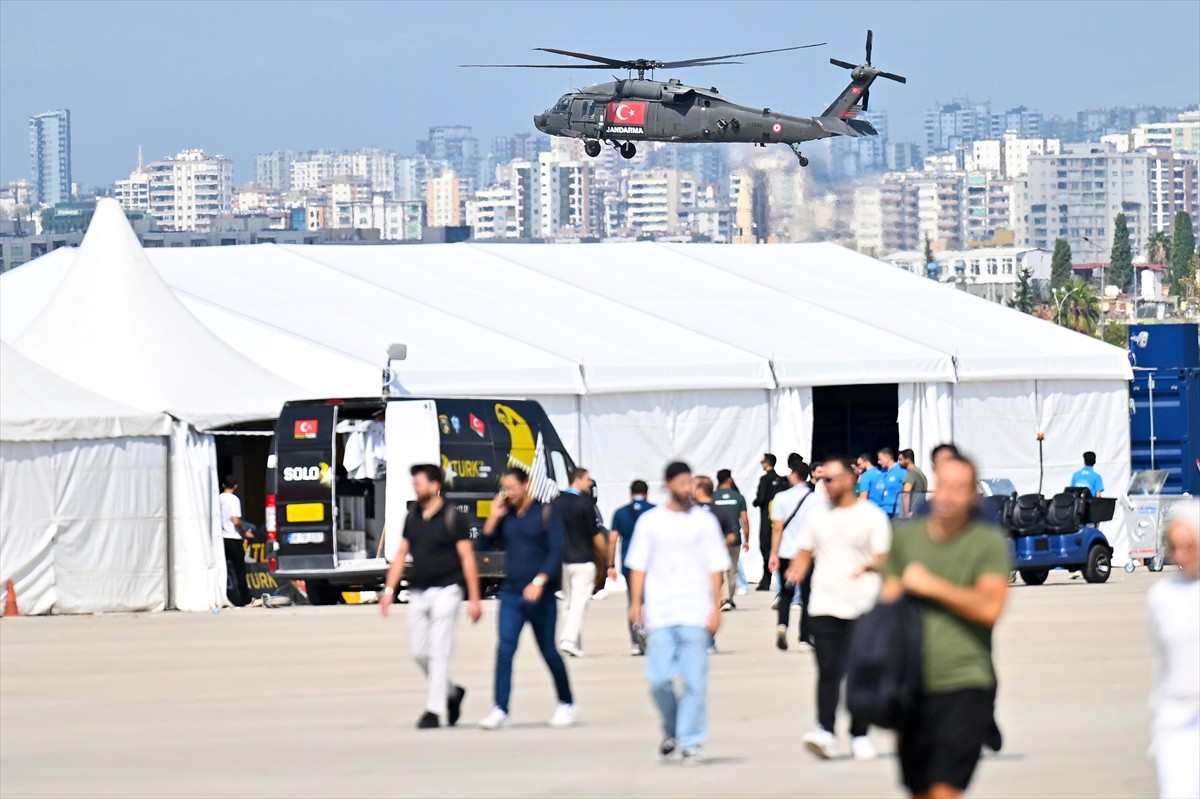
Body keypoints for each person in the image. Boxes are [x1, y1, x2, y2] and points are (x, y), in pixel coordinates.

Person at [880, 456, 1011, 799]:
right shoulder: (906, 540)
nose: (950, 495)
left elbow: (990, 607)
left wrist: (931, 585)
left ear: (974, 495)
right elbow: (887, 607)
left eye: (960, 488)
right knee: (921, 790)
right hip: (910, 686)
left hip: (966, 680)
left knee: (944, 790)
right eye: (945, 486)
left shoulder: (987, 542)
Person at [786, 457, 892, 761]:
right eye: (823, 480)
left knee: (862, 674)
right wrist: (797, 569)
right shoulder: (817, 516)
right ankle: (826, 732)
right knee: (828, 671)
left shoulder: (872, 517)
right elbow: (805, 551)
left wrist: (869, 565)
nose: (825, 485)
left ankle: (860, 734)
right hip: (825, 605)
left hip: (863, 605)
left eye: (830, 479)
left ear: (849, 480)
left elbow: (884, 556)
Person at [627, 462, 731, 765]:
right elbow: (638, 564)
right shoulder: (650, 521)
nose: (688, 489)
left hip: (695, 611)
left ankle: (691, 740)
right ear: (667, 484)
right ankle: (672, 727)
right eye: (683, 483)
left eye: (691, 483)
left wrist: (716, 606)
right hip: (660, 611)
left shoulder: (704, 522)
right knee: (658, 679)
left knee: (694, 681)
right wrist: (636, 602)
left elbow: (715, 565)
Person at [379, 464, 483, 729]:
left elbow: (467, 557)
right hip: (419, 591)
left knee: (439, 651)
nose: (415, 487)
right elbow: (402, 553)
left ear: (435, 485)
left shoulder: (452, 517)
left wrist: (474, 598)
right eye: (414, 483)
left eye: (420, 483)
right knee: (418, 652)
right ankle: (451, 693)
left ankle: (434, 711)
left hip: (448, 591)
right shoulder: (412, 515)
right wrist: (389, 591)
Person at [477, 468, 577, 730]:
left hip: (540, 595)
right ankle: (500, 708)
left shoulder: (545, 513)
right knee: (505, 650)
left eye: (512, 487)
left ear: (526, 485)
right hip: (511, 593)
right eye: (504, 488)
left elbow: (556, 552)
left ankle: (566, 702)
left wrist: (540, 581)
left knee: (548, 651)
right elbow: (482, 546)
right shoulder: (506, 516)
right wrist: (493, 517)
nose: (507, 493)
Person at [1147, 499, 1199, 799]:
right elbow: (1161, 663)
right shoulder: (1162, 596)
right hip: (1176, 717)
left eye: (1189, 546)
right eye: (1175, 547)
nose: (1181, 556)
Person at [768, 461, 827, 651]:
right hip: (808, 552)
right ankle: (804, 637)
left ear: (794, 475)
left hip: (786, 551)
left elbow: (777, 528)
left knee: (786, 592)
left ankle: (782, 625)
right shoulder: (817, 499)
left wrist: (773, 553)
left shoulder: (780, 497)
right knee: (808, 595)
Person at [555, 467, 606, 657]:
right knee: (579, 602)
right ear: (578, 480)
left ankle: (575, 642)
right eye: (587, 480)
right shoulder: (585, 504)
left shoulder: (556, 502)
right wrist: (607, 559)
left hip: (562, 560)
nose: (590, 483)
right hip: (583, 559)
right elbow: (596, 535)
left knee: (568, 602)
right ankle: (568, 639)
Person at [609, 480, 656, 656]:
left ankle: (636, 641)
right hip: (652, 563)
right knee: (651, 601)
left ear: (630, 493)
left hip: (630, 564)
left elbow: (612, 539)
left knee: (633, 600)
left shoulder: (620, 513)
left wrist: (610, 564)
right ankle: (650, 634)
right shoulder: (655, 511)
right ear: (647, 493)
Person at [695, 475, 738, 612]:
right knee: (721, 574)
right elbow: (731, 535)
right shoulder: (721, 512)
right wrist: (721, 543)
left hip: (695, 556)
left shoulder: (690, 511)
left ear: (700, 490)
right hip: (715, 554)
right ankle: (723, 599)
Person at [712, 469, 750, 608]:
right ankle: (729, 598)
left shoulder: (713, 496)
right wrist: (747, 539)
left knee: (719, 568)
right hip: (734, 537)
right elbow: (744, 520)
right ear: (729, 479)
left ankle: (724, 598)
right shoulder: (738, 497)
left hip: (717, 538)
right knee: (732, 569)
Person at [754, 454, 787, 590]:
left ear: (767, 463)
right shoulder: (780, 480)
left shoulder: (765, 479)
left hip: (766, 516)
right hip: (778, 517)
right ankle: (773, 577)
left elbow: (761, 498)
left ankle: (766, 579)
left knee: (765, 546)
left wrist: (756, 502)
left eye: (763, 462)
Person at [219, 476, 253, 607]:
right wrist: (245, 533)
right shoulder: (234, 500)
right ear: (235, 486)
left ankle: (224, 595)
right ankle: (245, 598)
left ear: (223, 485)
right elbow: (236, 521)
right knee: (239, 570)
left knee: (223, 569)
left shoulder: (218, 498)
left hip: (221, 538)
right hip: (234, 538)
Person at [876, 448, 908, 518]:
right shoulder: (882, 473)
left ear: (887, 458)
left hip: (896, 511)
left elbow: (907, 491)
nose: (878, 462)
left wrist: (906, 511)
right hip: (883, 510)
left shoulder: (901, 471)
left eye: (880, 459)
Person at [899, 449, 929, 518]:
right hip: (919, 513)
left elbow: (906, 494)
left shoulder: (911, 474)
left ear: (907, 460)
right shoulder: (921, 474)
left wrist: (906, 513)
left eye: (900, 460)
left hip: (910, 516)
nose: (898, 462)